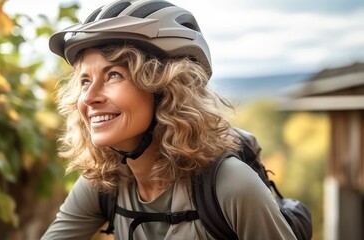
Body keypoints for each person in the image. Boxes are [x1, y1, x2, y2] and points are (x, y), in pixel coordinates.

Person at [42, 0, 298, 239]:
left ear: (166, 89)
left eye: (114, 75)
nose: (89, 98)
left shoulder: (231, 184)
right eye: (85, 81)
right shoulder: (105, 182)